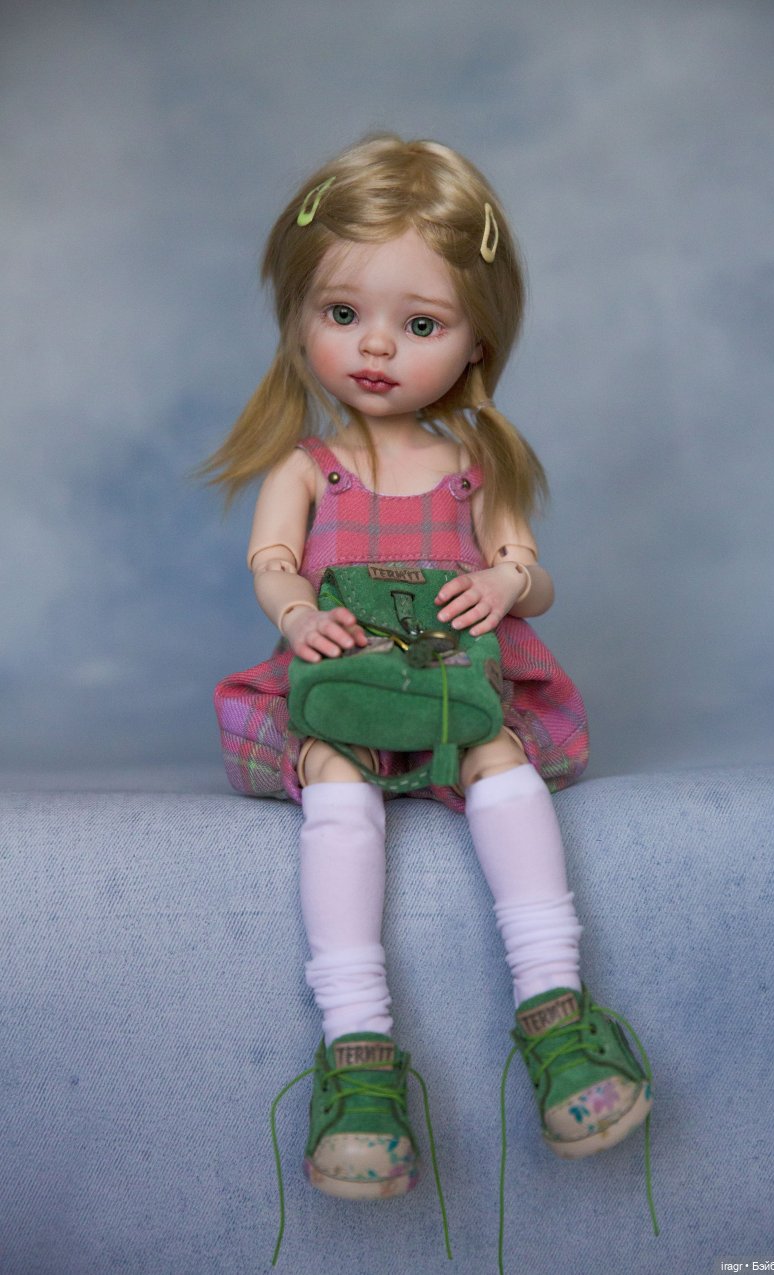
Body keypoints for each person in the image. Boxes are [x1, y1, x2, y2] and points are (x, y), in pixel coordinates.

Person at [202, 135, 653, 1226]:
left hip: (455, 686)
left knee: (500, 759)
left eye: (420, 325)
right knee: (336, 779)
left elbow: (529, 570)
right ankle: (357, 1053)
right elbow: (271, 563)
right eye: (341, 312)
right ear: (298, 317)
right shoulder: (306, 466)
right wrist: (298, 613)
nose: (374, 347)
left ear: (476, 341)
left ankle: (556, 1013)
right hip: (346, 680)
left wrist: (505, 584)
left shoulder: (476, 466)